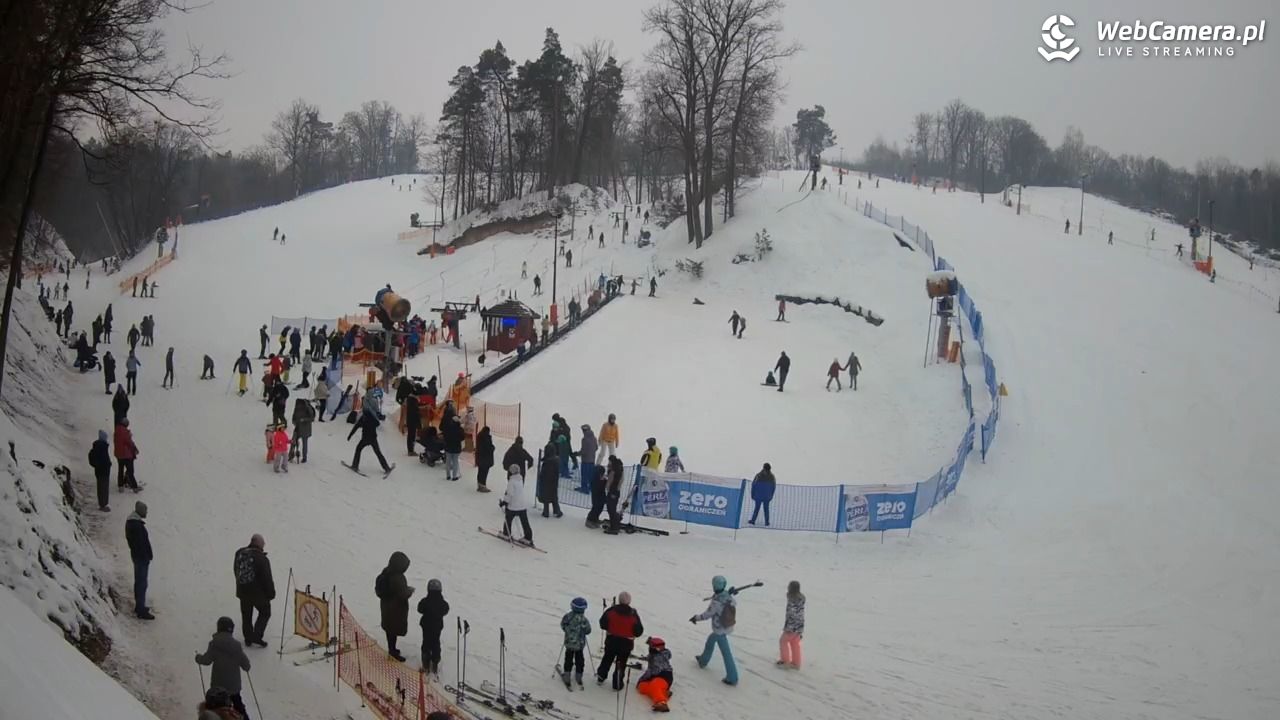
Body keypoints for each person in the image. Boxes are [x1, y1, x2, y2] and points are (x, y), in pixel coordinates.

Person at [690, 575, 738, 686]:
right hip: (726, 626)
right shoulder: (727, 597)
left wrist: (696, 618)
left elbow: (707, 614)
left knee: (726, 654)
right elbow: (733, 603)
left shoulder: (716, 602)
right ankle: (703, 660)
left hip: (719, 629)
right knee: (710, 641)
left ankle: (732, 677)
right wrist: (729, 593)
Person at [233, 534, 276, 648]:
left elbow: (236, 570)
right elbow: (267, 579)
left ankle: (248, 638)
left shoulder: (239, 553)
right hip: (258, 594)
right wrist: (271, 594)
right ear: (260, 544)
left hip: (242, 591)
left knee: (246, 615)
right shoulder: (262, 559)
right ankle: (256, 636)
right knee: (265, 612)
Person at [597, 592, 644, 690]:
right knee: (621, 663)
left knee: (607, 659)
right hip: (626, 644)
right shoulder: (633, 614)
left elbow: (602, 624)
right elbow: (638, 631)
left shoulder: (612, 611)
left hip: (611, 640)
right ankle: (617, 683)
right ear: (629, 601)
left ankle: (601, 677)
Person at [375, 551, 414, 661]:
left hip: (386, 608)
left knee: (390, 630)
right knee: (393, 630)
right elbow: (402, 594)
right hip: (396, 610)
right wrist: (409, 591)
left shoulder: (385, 573)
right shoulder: (398, 578)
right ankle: (393, 652)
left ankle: (392, 649)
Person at [125, 501, 154, 619]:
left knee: (140, 582)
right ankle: (140, 609)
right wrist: (146, 556)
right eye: (145, 510)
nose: (146, 512)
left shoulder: (133, 523)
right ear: (140, 511)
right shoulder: (136, 525)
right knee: (142, 583)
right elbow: (140, 544)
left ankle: (140, 606)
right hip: (141, 558)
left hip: (138, 557)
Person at [348, 403, 394, 475]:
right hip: (373, 438)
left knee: (358, 449)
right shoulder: (372, 417)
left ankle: (355, 465)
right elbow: (377, 424)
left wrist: (350, 436)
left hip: (365, 438)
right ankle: (386, 467)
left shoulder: (363, 418)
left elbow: (356, 427)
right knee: (378, 452)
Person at [416, 578, 450, 675]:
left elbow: (420, 609)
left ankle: (425, 662)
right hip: (437, 626)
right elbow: (446, 610)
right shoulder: (442, 603)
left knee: (426, 642)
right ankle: (435, 661)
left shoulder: (425, 601)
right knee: (436, 642)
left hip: (426, 625)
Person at [560, 597, 592, 689]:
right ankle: (578, 676)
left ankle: (567, 675)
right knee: (580, 659)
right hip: (580, 644)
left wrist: (567, 631)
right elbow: (588, 630)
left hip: (569, 643)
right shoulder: (584, 620)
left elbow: (563, 625)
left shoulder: (567, 617)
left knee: (568, 659)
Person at [636, 636, 673, 712]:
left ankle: (662, 703)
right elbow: (653, 657)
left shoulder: (656, 658)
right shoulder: (657, 654)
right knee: (642, 687)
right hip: (655, 677)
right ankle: (664, 693)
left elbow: (652, 671)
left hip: (664, 676)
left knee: (654, 685)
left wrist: (641, 680)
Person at [500, 464, 534, 543]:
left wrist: (504, 502)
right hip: (522, 505)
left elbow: (510, 494)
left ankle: (506, 533)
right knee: (524, 521)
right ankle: (528, 537)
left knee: (508, 519)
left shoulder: (511, 481)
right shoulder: (520, 479)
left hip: (513, 506)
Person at [777, 580, 805, 669]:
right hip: (800, 625)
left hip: (792, 626)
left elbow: (791, 614)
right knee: (794, 643)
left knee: (783, 641)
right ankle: (796, 663)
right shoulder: (801, 598)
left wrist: (788, 627)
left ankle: (785, 661)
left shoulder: (792, 599)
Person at [88, 430, 112, 511]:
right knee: (104, 488)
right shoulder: (102, 446)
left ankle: (102, 504)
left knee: (101, 487)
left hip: (99, 470)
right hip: (103, 470)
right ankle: (103, 505)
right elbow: (104, 459)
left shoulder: (97, 446)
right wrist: (107, 464)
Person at [538, 441, 563, 518]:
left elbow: (544, 472)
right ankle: (557, 511)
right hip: (554, 482)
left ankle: (546, 512)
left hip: (546, 482)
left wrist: (541, 476)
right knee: (554, 497)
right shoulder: (556, 460)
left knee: (546, 497)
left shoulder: (548, 462)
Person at [114, 419, 140, 491]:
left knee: (120, 470)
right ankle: (134, 487)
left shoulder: (116, 430)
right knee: (130, 471)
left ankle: (121, 486)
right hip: (126, 455)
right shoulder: (125, 432)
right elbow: (129, 442)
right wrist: (135, 449)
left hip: (119, 454)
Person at [603, 456, 625, 534]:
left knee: (611, 510)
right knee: (613, 509)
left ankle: (614, 527)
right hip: (616, 492)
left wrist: (609, 490)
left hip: (612, 492)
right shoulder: (620, 469)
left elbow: (609, 482)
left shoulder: (613, 471)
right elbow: (621, 481)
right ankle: (615, 525)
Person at [441, 410, 464, 482]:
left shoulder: (448, 428)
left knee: (448, 461)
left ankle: (448, 475)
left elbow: (445, 436)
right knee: (455, 462)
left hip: (448, 447)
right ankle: (454, 476)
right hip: (456, 448)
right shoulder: (460, 429)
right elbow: (462, 437)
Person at [291, 398, 315, 462]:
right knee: (293, 441)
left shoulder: (308, 408)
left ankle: (304, 457)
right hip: (298, 428)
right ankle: (291, 454)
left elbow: (312, 418)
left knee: (304, 444)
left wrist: (304, 419)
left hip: (305, 429)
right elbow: (293, 417)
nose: (298, 405)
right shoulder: (297, 408)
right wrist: (294, 422)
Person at [577, 425, 597, 493]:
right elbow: (596, 447)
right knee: (590, 476)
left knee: (584, 476)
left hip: (585, 461)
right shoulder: (594, 438)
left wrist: (577, 453)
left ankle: (584, 488)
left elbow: (584, 451)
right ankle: (591, 488)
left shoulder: (584, 439)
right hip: (592, 460)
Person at [475, 426, 495, 493]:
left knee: (480, 471)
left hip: (480, 458)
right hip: (486, 459)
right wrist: (493, 448)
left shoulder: (479, 436)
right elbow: (488, 448)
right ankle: (483, 486)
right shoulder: (486, 438)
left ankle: (479, 485)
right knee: (484, 473)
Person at [404, 388, 422, 456]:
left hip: (410, 420)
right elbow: (415, 412)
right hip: (413, 421)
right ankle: (411, 450)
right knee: (411, 435)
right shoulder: (413, 401)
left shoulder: (410, 399)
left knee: (411, 435)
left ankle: (411, 449)